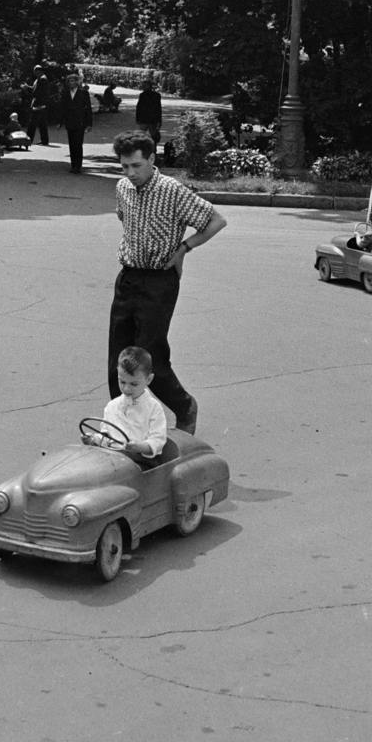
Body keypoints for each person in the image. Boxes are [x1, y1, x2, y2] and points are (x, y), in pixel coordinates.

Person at [108, 129, 226, 434]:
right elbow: (124, 218)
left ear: (152, 159)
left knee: (150, 356)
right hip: (129, 278)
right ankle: (122, 424)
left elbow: (216, 221)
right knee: (119, 357)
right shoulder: (122, 188)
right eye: (125, 166)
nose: (130, 173)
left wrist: (184, 248)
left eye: (136, 165)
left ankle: (184, 407)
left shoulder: (172, 191)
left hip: (159, 281)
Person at [85, 346, 169, 459]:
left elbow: (157, 441)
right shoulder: (112, 406)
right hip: (113, 458)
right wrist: (94, 440)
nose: (126, 388)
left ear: (149, 379)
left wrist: (140, 447)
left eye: (134, 384)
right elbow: (106, 437)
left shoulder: (154, 408)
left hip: (140, 461)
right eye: (122, 382)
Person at [62, 71, 94, 174]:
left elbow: (88, 108)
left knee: (78, 143)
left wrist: (89, 123)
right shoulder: (66, 93)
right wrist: (60, 121)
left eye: (72, 81)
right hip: (70, 122)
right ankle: (73, 165)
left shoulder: (83, 93)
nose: (71, 83)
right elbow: (62, 108)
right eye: (69, 81)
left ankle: (78, 166)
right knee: (72, 144)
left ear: (77, 82)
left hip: (80, 122)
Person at [134, 73, 163, 150]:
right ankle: (153, 148)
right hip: (152, 118)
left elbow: (139, 107)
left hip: (145, 118)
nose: (142, 87)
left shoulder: (143, 95)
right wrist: (159, 120)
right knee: (152, 135)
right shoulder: (156, 95)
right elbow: (158, 108)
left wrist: (137, 118)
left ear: (148, 86)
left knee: (142, 135)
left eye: (144, 86)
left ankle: (143, 149)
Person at [26, 63, 50, 146]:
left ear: (38, 71)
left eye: (35, 71)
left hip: (38, 104)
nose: (34, 73)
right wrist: (28, 87)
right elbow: (35, 89)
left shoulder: (42, 79)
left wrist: (36, 102)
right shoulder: (40, 79)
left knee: (32, 123)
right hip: (41, 104)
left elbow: (39, 92)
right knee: (42, 123)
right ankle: (44, 140)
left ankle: (28, 139)